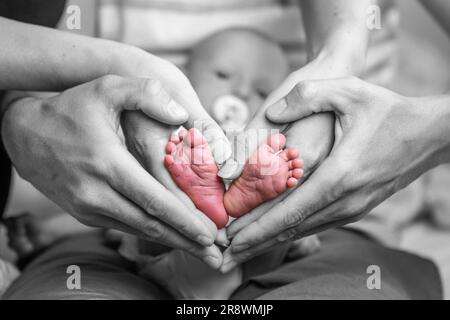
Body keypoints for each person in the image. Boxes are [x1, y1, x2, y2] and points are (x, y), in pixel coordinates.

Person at [219, 0, 450, 271]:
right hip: (167, 214)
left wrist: (428, 133)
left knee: (338, 286)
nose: (242, 92)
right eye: (221, 74)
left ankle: (246, 199)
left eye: (261, 90)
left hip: (340, 215)